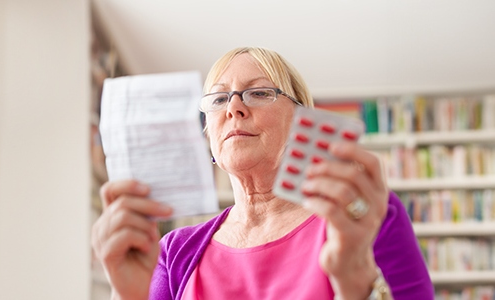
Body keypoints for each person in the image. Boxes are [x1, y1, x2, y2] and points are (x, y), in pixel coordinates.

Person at [92, 47, 434, 300]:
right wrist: (127, 295)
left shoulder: (365, 217)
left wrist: (356, 278)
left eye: (258, 93)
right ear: (208, 134)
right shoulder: (173, 252)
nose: (234, 108)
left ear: (302, 121)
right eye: (218, 99)